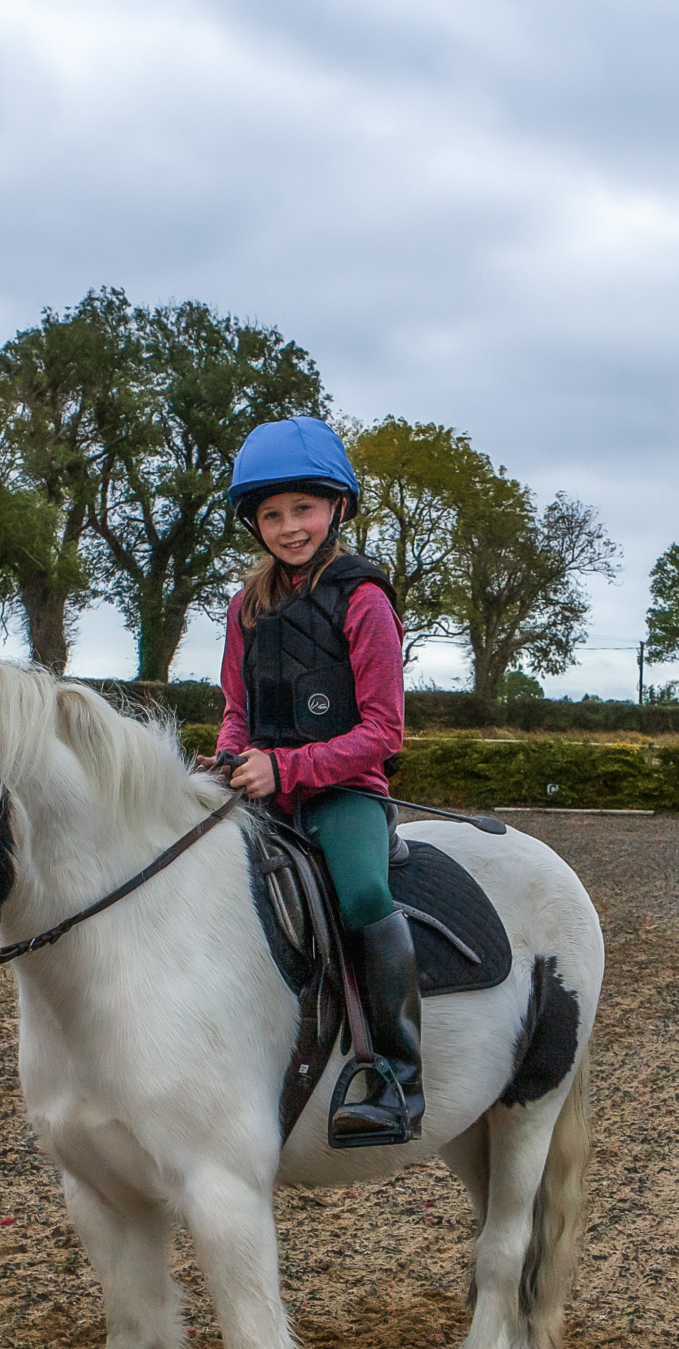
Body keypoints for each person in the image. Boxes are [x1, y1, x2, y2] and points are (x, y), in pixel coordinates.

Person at [214, 417, 422, 1146]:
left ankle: (398, 1076)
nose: (289, 526)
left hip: (344, 792)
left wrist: (287, 767)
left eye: (302, 509)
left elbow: (383, 731)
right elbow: (238, 709)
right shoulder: (246, 607)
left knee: (363, 891)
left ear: (337, 507)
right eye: (272, 514)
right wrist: (228, 758)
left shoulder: (363, 600)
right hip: (263, 787)